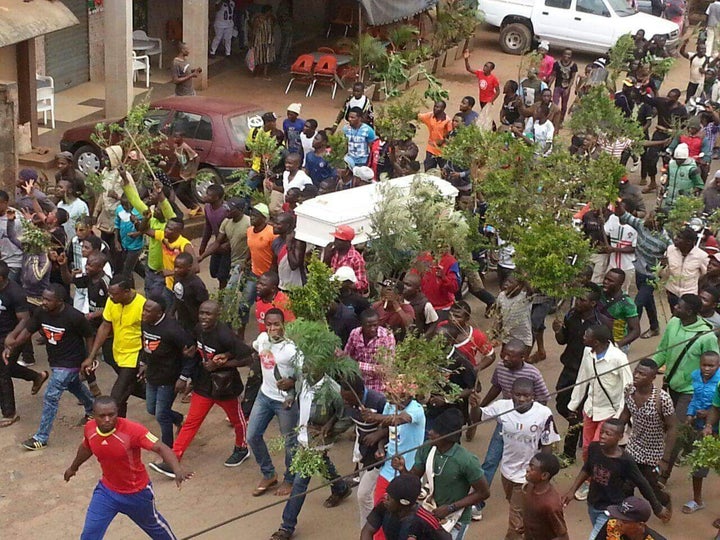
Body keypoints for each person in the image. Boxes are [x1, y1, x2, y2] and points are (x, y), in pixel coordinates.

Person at [64, 396, 191, 539]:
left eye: (111, 415)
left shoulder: (133, 430)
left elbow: (160, 448)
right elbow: (86, 448)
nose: (107, 419)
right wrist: (73, 468)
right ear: (93, 415)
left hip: (136, 494)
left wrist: (177, 469)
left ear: (117, 412)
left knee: (155, 528)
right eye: (102, 416)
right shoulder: (90, 428)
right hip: (107, 492)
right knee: (89, 534)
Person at [150, 300, 252, 476]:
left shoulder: (225, 335)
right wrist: (191, 357)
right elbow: (198, 352)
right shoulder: (198, 329)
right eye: (202, 313)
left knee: (238, 420)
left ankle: (242, 448)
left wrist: (222, 363)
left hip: (225, 387)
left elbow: (248, 358)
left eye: (208, 314)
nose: (204, 317)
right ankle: (173, 460)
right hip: (204, 385)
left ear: (217, 315)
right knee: (191, 422)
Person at [3, 285, 94, 450]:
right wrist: (12, 347)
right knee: (74, 386)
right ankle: (92, 408)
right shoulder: (40, 312)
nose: (43, 302)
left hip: (71, 361)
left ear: (59, 301)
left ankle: (41, 437)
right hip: (56, 360)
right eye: (43, 298)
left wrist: (89, 358)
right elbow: (28, 332)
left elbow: (89, 335)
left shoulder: (74, 316)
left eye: (48, 300)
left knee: (51, 396)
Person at [391, 408, 490, 540]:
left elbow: (484, 492)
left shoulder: (467, 460)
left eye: (436, 432)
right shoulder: (426, 448)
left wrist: (450, 508)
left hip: (455, 519)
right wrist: (402, 469)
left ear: (449, 436)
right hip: (430, 513)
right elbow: (414, 479)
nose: (430, 432)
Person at [480, 378, 561, 540]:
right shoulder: (503, 407)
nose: (522, 399)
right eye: (518, 395)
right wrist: (475, 406)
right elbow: (477, 417)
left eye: (526, 395)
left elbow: (547, 444)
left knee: (515, 521)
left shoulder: (543, 413)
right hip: (507, 472)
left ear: (533, 396)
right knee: (520, 508)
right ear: (511, 394)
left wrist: (542, 475)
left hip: (527, 476)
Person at [562, 419, 670, 538]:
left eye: (608, 434)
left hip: (612, 508)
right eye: (602, 432)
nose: (602, 436)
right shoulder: (594, 448)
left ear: (620, 436)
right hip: (593, 504)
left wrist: (657, 507)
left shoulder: (625, 461)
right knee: (605, 535)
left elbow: (642, 483)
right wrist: (572, 491)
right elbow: (587, 469)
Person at [654, 294, 719, 483]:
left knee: (676, 430)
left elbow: (714, 366)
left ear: (690, 311)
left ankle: (662, 474)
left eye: (679, 307)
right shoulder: (674, 323)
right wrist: (649, 369)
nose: (674, 308)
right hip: (670, 385)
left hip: (690, 392)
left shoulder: (706, 335)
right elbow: (662, 351)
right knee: (665, 426)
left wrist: (709, 402)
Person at [477, 339, 551, 494]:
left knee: (528, 459)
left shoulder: (533, 373)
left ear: (522, 357)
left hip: (528, 424)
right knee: (491, 460)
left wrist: (531, 418)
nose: (505, 358)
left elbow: (543, 398)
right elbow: (496, 387)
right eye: (504, 354)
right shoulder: (500, 368)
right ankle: (478, 501)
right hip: (506, 420)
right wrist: (481, 407)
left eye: (511, 356)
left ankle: (528, 490)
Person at [248, 309, 302, 497]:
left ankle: (290, 479)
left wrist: (292, 381)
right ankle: (269, 474)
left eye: (276, 324)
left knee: (290, 442)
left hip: (284, 402)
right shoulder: (262, 339)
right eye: (269, 324)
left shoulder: (291, 349)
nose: (272, 328)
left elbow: (305, 373)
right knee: (252, 435)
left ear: (283, 325)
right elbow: (255, 347)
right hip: (264, 395)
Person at [568, 324, 633, 479]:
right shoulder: (587, 353)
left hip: (610, 412)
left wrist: (620, 417)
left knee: (599, 449)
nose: (583, 337)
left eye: (587, 335)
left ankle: (601, 479)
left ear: (596, 342)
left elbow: (628, 387)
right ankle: (589, 479)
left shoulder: (618, 358)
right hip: (590, 409)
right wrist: (573, 404)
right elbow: (582, 379)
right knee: (586, 448)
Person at [83, 275, 146, 418]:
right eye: (109, 293)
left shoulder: (143, 306)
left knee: (116, 398)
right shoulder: (113, 302)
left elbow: (147, 335)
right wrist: (91, 356)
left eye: (114, 294)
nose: (110, 297)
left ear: (127, 291)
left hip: (134, 357)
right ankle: (169, 411)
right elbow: (105, 326)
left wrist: (145, 361)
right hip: (117, 354)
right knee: (132, 391)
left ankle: (116, 432)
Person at [618, 359, 675, 512]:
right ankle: (628, 511)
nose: (636, 375)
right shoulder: (629, 390)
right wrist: (616, 430)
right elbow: (626, 412)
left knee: (650, 486)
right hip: (634, 445)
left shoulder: (662, 399)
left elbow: (672, 428)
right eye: (636, 371)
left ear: (652, 378)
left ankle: (664, 500)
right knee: (626, 483)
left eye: (642, 374)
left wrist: (665, 460)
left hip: (653, 451)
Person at [138, 296, 193, 448]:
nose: (143, 313)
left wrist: (183, 377)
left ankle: (168, 449)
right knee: (151, 409)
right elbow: (146, 345)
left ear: (159, 313)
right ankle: (180, 419)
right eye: (144, 309)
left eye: (148, 311)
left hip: (169, 378)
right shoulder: (145, 323)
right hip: (152, 375)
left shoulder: (172, 330)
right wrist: (143, 362)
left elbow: (191, 353)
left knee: (162, 415)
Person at [553, 288, 601, 464]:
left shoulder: (597, 325)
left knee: (574, 411)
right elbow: (562, 340)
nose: (578, 302)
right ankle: (582, 425)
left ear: (593, 303)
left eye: (582, 299)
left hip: (586, 374)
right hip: (569, 368)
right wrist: (558, 330)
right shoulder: (571, 315)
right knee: (561, 404)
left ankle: (569, 453)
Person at [613, 201, 671, 339]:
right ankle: (654, 327)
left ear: (660, 223)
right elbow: (624, 215)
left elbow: (671, 257)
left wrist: (665, 262)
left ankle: (627, 336)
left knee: (638, 303)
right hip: (639, 272)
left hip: (652, 277)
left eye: (653, 219)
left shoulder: (666, 241)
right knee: (648, 301)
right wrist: (618, 204)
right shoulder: (641, 226)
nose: (649, 220)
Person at [0, 260, 47, 427]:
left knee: (2, 373)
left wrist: (11, 338)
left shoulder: (15, 293)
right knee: (8, 368)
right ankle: (37, 376)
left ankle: (9, 413)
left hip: (14, 337)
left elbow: (24, 319)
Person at [340, 376, 388, 527]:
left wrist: (378, 434)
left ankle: (369, 529)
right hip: (363, 450)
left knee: (363, 495)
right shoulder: (347, 402)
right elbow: (342, 419)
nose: (345, 402)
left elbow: (394, 424)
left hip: (380, 452)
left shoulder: (378, 401)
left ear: (360, 394)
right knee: (368, 493)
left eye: (348, 399)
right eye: (343, 398)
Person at [122, 177, 176, 302]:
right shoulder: (153, 220)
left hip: (163, 271)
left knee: (159, 300)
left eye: (158, 208)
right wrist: (125, 180)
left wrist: (160, 193)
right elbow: (136, 201)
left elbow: (166, 208)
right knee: (149, 294)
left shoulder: (169, 226)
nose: (154, 210)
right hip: (150, 268)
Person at [361, 474, 451, 540]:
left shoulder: (425, 520)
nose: (385, 497)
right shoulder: (383, 504)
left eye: (390, 498)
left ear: (404, 502)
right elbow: (367, 531)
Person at [684, 352, 720, 513]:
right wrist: (691, 415)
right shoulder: (697, 377)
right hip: (705, 429)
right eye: (704, 365)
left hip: (715, 430)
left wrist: (708, 416)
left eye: (711, 366)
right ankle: (697, 500)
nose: (706, 368)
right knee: (698, 464)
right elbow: (696, 399)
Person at [199, 197, 250, 289]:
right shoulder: (226, 221)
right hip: (230, 254)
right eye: (226, 208)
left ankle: (222, 299)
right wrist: (202, 257)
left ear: (240, 210)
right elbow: (217, 242)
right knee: (214, 272)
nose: (226, 211)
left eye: (230, 209)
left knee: (226, 280)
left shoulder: (248, 223)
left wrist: (247, 261)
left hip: (240, 260)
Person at [344, 308, 395, 391]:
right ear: (362, 325)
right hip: (357, 383)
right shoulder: (355, 333)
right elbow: (346, 357)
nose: (372, 329)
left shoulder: (387, 337)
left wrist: (357, 365)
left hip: (378, 386)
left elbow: (385, 369)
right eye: (369, 326)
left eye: (375, 325)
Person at [522, 453, 569, 540]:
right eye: (529, 466)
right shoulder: (530, 486)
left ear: (544, 476)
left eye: (532, 468)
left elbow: (563, 536)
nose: (527, 469)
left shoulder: (551, 505)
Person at [664, 228, 709, 309]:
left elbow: (706, 274)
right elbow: (666, 269)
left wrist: (698, 290)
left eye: (679, 237)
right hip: (672, 293)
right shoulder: (670, 249)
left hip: (689, 296)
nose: (675, 239)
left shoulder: (701, 256)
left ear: (688, 242)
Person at [597, 268, 641, 350]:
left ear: (620, 284)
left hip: (616, 344)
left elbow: (636, 331)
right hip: (596, 341)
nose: (605, 282)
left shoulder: (627, 304)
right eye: (605, 278)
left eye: (610, 281)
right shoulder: (598, 291)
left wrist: (617, 345)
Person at [198, 184, 229, 289]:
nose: (205, 197)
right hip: (217, 244)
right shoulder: (207, 208)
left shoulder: (225, 211)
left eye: (209, 195)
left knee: (222, 275)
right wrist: (203, 245)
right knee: (213, 272)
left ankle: (222, 295)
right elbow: (208, 227)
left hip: (227, 246)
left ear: (217, 198)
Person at [596, 496, 668, 540]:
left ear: (640, 524)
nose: (617, 523)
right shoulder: (611, 525)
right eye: (618, 517)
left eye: (624, 522)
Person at [324, 225, 368, 293]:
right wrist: (326, 258)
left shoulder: (356, 259)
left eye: (339, 240)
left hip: (348, 296)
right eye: (336, 238)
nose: (336, 242)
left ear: (348, 242)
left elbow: (363, 284)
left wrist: (346, 284)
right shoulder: (332, 252)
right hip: (331, 294)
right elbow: (324, 273)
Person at [170, 134, 203, 217]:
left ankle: (193, 206)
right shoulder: (176, 147)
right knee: (188, 192)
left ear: (181, 138)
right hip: (182, 173)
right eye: (174, 137)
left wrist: (193, 173)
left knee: (179, 193)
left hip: (188, 174)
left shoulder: (185, 147)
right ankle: (198, 208)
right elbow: (176, 159)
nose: (175, 139)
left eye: (177, 137)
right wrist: (171, 169)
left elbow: (197, 158)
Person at [113, 194, 144, 279]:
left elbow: (145, 229)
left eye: (128, 205)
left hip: (135, 245)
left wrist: (137, 233)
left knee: (127, 270)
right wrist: (116, 241)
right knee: (135, 266)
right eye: (124, 205)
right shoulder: (119, 210)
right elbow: (117, 225)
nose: (126, 207)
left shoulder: (139, 211)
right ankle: (148, 277)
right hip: (124, 244)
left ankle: (128, 286)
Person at [402, 272, 439, 338]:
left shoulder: (425, 304)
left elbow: (434, 323)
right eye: (404, 283)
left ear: (417, 289)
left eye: (408, 285)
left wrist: (423, 339)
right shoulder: (397, 298)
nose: (404, 287)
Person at [418, 101, 452, 171]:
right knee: (428, 171)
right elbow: (419, 117)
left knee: (445, 171)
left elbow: (451, 134)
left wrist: (443, 141)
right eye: (435, 106)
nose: (435, 108)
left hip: (443, 151)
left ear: (443, 109)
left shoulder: (447, 121)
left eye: (438, 107)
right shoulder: (430, 116)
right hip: (431, 149)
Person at [548, 48, 577, 125]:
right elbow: (553, 75)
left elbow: (572, 78)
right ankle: (553, 119)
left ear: (571, 56)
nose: (566, 56)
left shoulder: (573, 65)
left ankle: (561, 120)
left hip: (566, 88)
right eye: (565, 54)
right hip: (558, 86)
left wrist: (568, 88)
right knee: (554, 104)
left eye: (569, 54)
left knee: (564, 105)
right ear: (562, 54)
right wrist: (549, 85)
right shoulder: (557, 64)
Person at [250, 5, 275, 78]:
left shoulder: (270, 19)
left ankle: (265, 74)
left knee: (267, 58)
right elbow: (254, 30)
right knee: (258, 58)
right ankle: (256, 73)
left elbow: (274, 25)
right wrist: (251, 41)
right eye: (270, 12)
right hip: (259, 41)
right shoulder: (258, 19)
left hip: (268, 41)